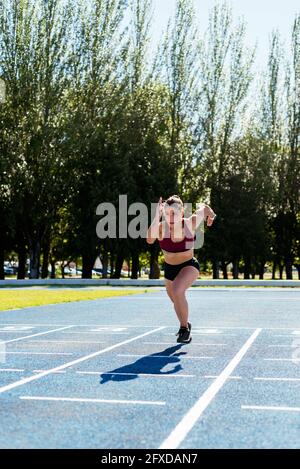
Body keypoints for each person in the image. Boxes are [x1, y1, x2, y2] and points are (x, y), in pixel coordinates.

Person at [146, 195, 216, 343]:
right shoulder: (160, 228)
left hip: (189, 265)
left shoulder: (190, 224)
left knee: (178, 290)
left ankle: (184, 329)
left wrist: (211, 216)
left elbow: (204, 209)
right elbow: (149, 239)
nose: (170, 217)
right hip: (170, 269)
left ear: (182, 213)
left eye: (174, 214)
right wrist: (157, 216)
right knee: (175, 300)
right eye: (167, 213)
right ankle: (186, 322)